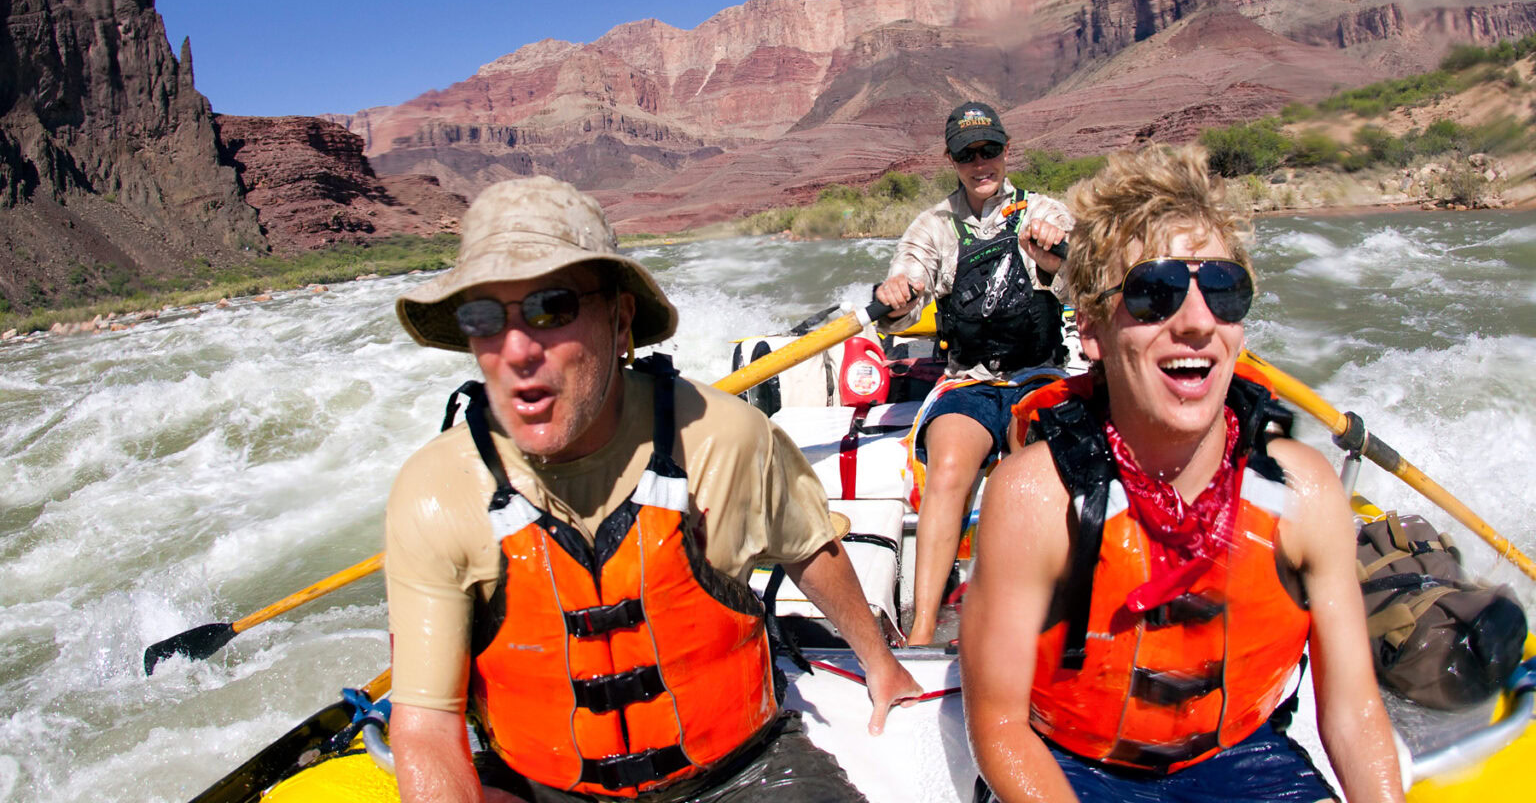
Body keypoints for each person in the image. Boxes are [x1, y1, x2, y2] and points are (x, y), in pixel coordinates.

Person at [385, 176, 920, 803]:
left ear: (620, 320)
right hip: (543, 790)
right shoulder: (435, 493)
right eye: (483, 318)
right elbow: (425, 723)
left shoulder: (725, 438)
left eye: (550, 308)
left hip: (741, 773)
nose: (518, 350)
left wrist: (882, 665)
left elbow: (806, 547)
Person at [961, 144, 1405, 803]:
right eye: (1153, 293)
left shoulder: (1304, 492)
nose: (1197, 321)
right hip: (1074, 764)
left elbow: (1352, 714)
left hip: (1244, 758)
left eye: (1223, 290)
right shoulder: (1034, 496)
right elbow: (1000, 727)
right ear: (1090, 331)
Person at [874, 101, 1071, 645]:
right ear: (953, 160)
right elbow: (904, 301)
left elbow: (1089, 287)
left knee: (1030, 462)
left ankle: (1036, 623)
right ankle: (920, 631)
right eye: (968, 154)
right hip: (970, 378)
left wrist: (1058, 262)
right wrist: (895, 298)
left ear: (1007, 150)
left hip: (1039, 374)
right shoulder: (933, 226)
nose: (980, 162)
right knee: (949, 467)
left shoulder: (1044, 213)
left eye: (990, 150)